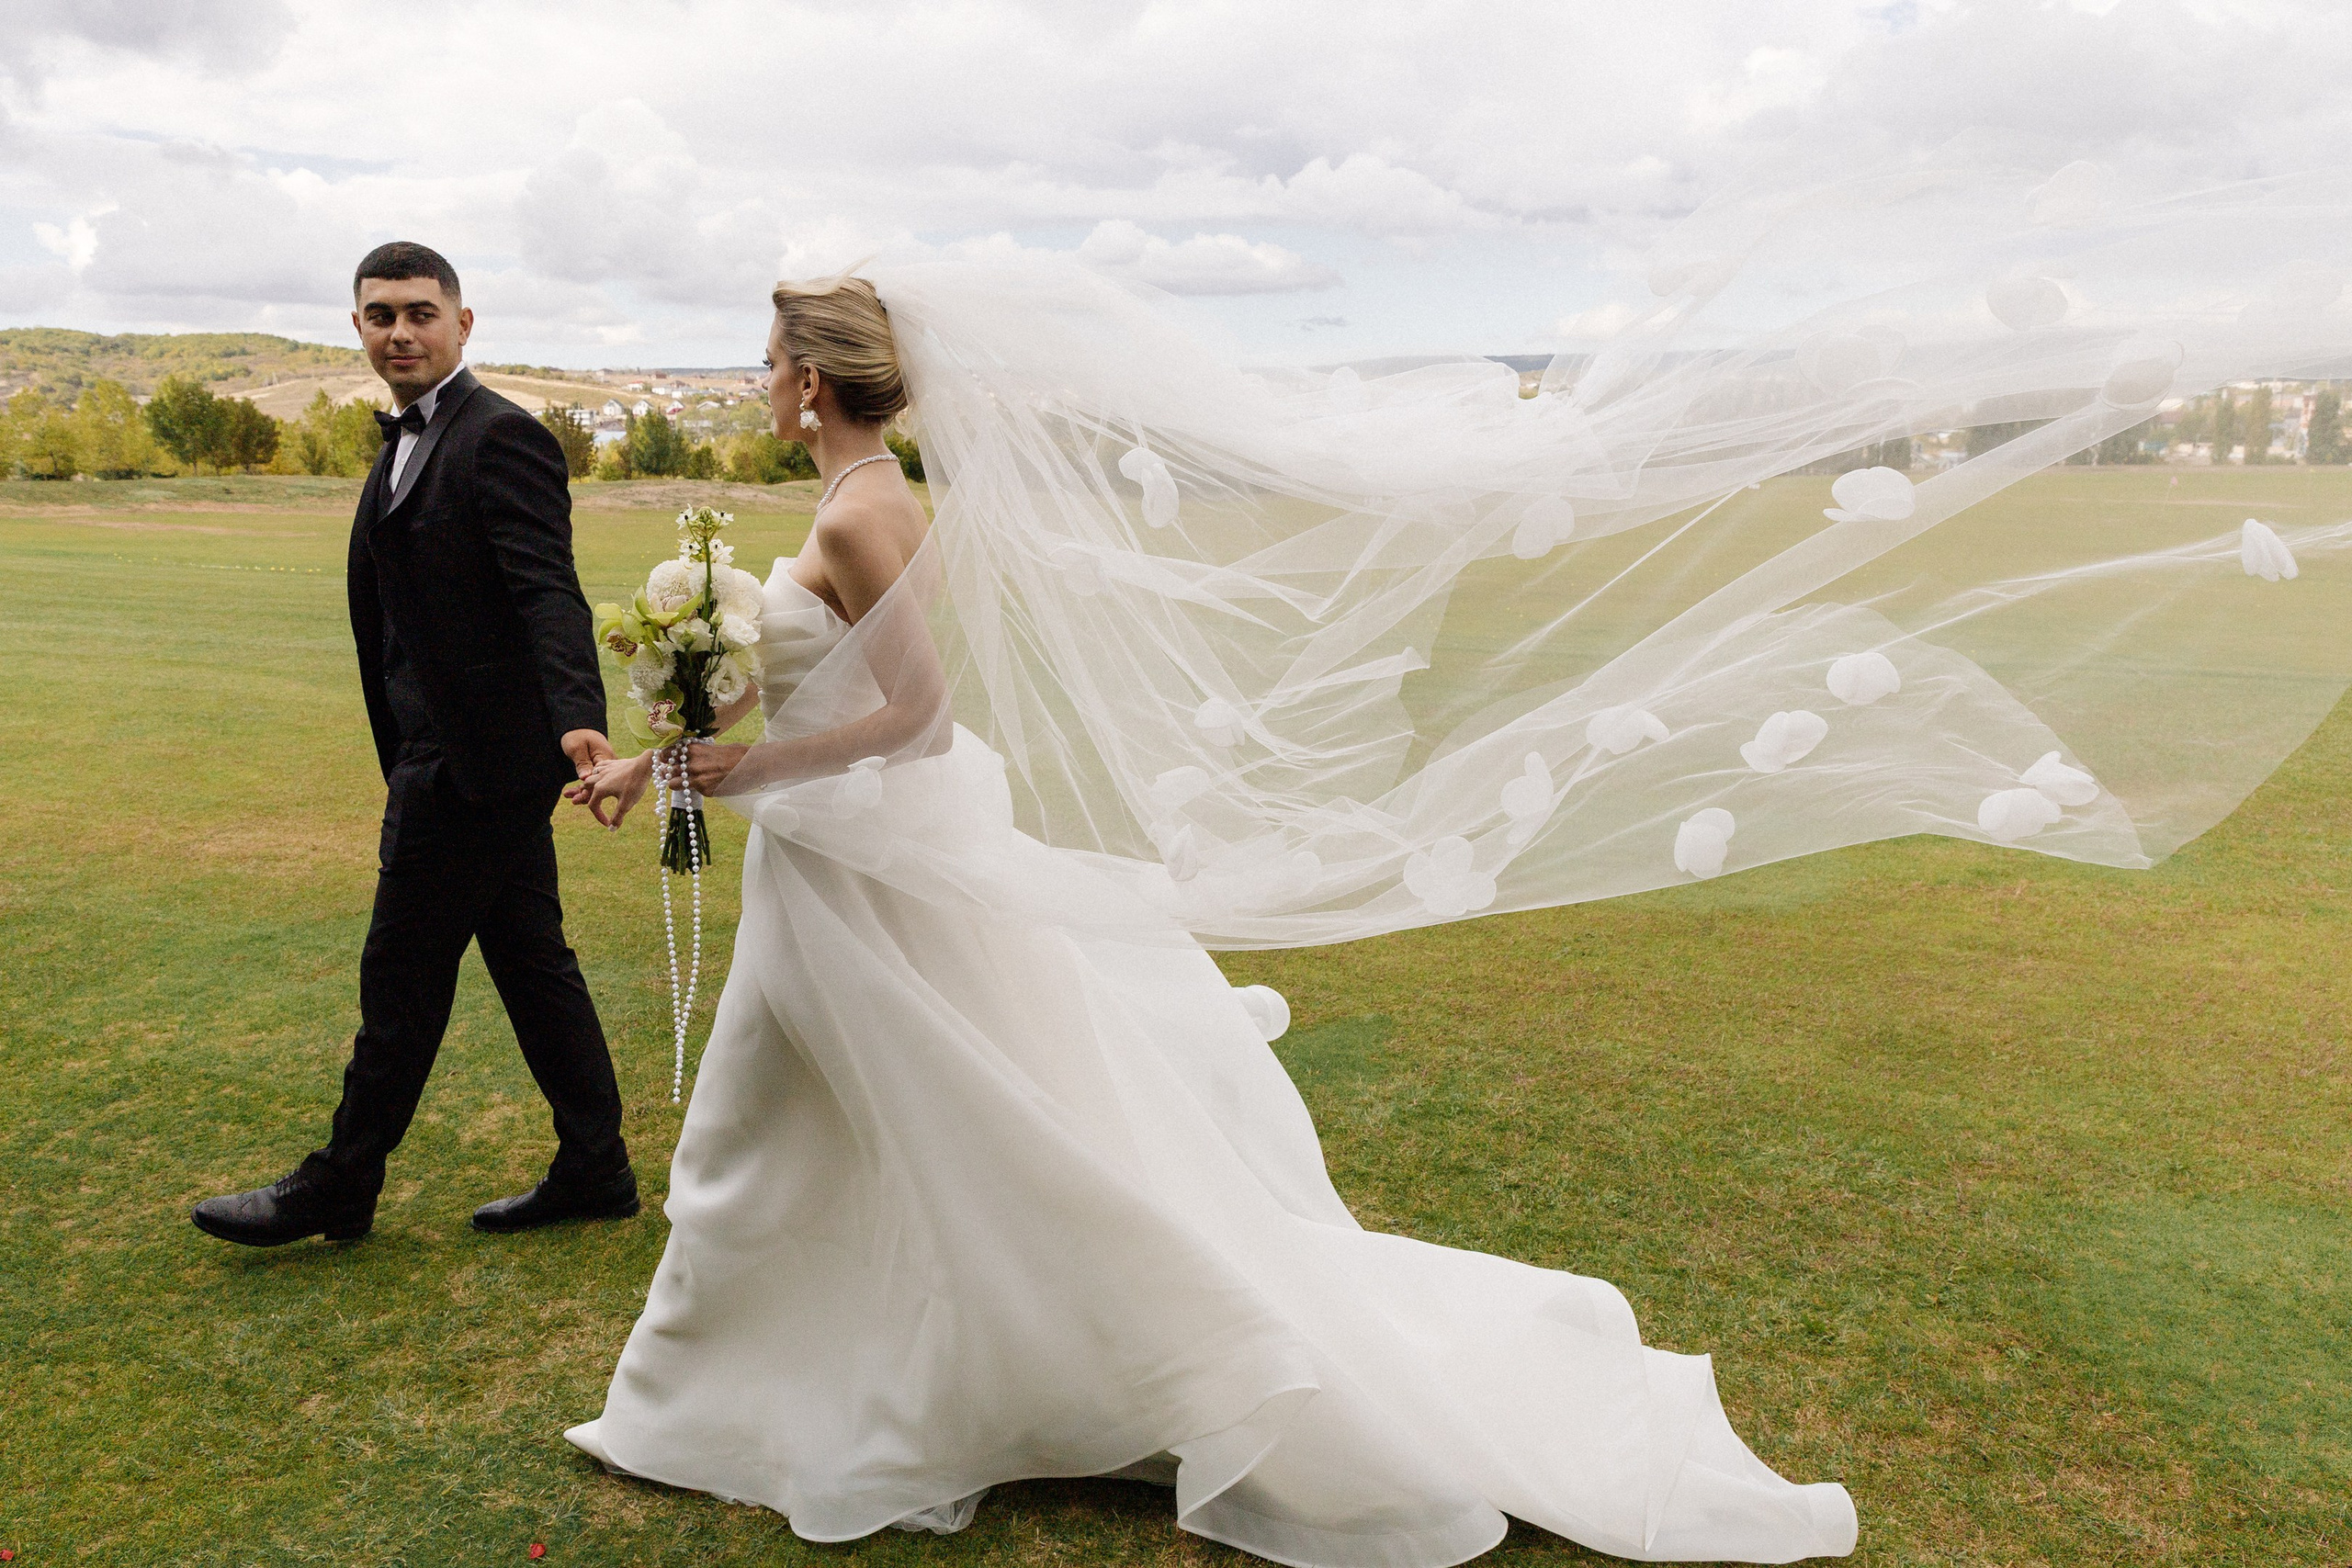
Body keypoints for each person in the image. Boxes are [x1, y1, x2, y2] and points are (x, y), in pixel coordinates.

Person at [192, 242, 638, 1248]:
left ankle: (341, 1183)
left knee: (401, 975)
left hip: (477, 767)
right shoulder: (400, 440)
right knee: (531, 962)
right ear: (357, 326)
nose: (401, 331)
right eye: (381, 314)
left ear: (463, 324)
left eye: (421, 313)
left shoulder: (503, 437)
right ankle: (596, 1167)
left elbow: (546, 590)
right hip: (444, 754)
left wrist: (577, 710)